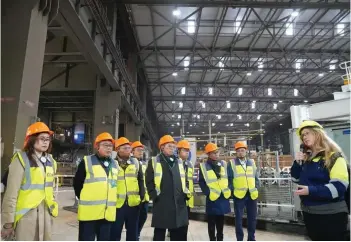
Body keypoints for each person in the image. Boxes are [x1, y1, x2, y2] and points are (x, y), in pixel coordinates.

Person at [291, 120, 349, 241]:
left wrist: (311, 191)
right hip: (310, 214)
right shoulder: (308, 158)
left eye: (307, 133)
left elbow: (338, 188)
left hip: (331, 216)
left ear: (318, 133)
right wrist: (297, 163)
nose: (304, 137)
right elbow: (295, 178)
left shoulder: (334, 157)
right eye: (302, 135)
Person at [1, 122, 58, 240]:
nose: (45, 142)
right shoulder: (21, 159)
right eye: (42, 139)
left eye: (47, 139)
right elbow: (11, 193)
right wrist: (8, 223)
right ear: (31, 140)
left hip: (46, 213)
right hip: (26, 215)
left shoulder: (51, 161)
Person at [73, 132, 118, 241]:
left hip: (107, 214)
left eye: (110, 146)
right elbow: (77, 184)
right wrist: (85, 198)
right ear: (97, 147)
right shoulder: (87, 161)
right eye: (105, 145)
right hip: (89, 214)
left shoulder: (115, 164)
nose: (108, 148)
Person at [145, 135, 189, 241]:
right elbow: (149, 181)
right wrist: (154, 196)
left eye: (173, 146)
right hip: (162, 202)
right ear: (162, 147)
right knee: (159, 233)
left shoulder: (179, 161)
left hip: (178, 202)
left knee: (177, 232)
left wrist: (185, 194)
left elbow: (185, 179)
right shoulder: (155, 161)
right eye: (169, 146)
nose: (172, 148)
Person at [110, 137, 145, 241]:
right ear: (117, 150)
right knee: (115, 234)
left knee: (133, 235)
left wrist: (141, 198)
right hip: (117, 205)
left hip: (133, 205)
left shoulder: (135, 163)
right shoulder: (112, 163)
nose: (128, 150)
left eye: (129, 148)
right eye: (125, 148)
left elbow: (140, 181)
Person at [198, 142, 231, 241]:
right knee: (211, 223)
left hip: (222, 198)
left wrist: (228, 189)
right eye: (214, 153)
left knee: (220, 222)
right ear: (208, 154)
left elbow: (228, 178)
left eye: (217, 152)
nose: (216, 155)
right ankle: (212, 239)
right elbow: (201, 182)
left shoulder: (224, 164)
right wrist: (208, 193)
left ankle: (220, 239)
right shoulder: (204, 166)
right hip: (212, 198)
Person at [227, 141, 259, 241]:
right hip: (239, 195)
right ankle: (239, 239)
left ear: (246, 151)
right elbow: (229, 180)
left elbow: (256, 177)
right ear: (236, 152)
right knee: (238, 220)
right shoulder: (232, 164)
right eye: (239, 151)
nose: (241, 152)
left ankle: (251, 238)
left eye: (242, 150)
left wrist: (256, 188)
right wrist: (232, 192)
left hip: (252, 195)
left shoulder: (252, 162)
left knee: (252, 219)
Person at [131, 141, 149, 240]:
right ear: (132, 151)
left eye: (142, 150)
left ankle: (137, 233)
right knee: (134, 219)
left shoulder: (144, 164)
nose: (141, 152)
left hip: (144, 197)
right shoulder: (130, 163)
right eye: (138, 150)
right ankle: (135, 235)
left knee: (144, 216)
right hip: (134, 197)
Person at [177, 139, 194, 237]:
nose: (187, 152)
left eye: (188, 151)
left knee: (185, 223)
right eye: (184, 150)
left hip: (187, 199)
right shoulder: (174, 163)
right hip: (178, 199)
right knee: (176, 224)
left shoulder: (190, 164)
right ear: (178, 151)